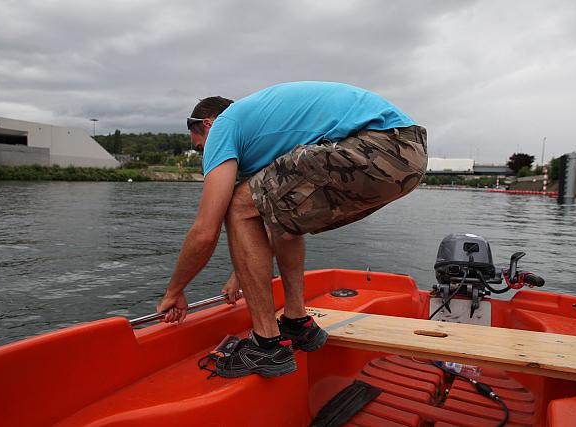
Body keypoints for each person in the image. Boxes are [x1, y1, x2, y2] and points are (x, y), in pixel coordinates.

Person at [157, 81, 427, 378]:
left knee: (236, 205)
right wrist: (240, 277)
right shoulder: (264, 133)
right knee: (277, 209)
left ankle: (266, 344)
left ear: (207, 124)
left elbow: (205, 232)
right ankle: (298, 324)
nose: (204, 155)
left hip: (380, 145)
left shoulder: (224, 126)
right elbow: (276, 214)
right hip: (407, 154)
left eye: (200, 147)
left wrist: (175, 291)